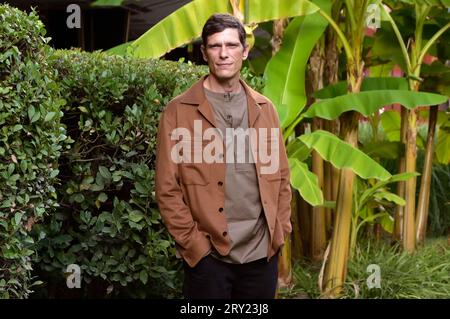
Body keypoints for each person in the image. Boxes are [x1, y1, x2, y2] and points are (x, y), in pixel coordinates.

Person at [155, 13, 291, 299]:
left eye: (231, 45)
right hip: (209, 260)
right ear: (204, 53)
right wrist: (195, 247)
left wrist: (279, 232)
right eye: (215, 46)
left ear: (245, 51)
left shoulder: (265, 109)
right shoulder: (178, 112)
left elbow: (281, 177)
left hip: (261, 257)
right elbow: (167, 189)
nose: (224, 54)